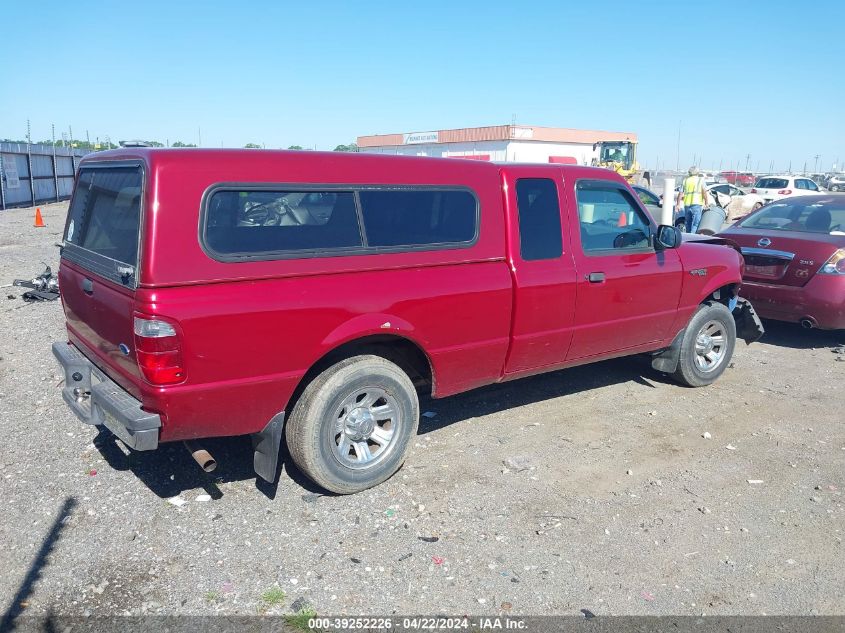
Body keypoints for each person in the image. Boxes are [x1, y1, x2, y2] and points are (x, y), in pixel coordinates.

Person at [676, 166, 710, 233]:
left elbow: (680, 193)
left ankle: (688, 238)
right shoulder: (700, 180)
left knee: (687, 224)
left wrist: (678, 204)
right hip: (696, 205)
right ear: (697, 172)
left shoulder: (685, 180)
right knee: (695, 224)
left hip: (687, 205)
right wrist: (706, 203)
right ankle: (692, 239)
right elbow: (704, 193)